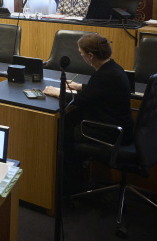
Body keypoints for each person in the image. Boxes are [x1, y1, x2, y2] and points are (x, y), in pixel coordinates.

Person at [43, 33, 132, 190]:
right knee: (70, 121)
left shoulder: (104, 76)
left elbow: (79, 100)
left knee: (62, 132)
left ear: (90, 56)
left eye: (82, 54)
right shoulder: (113, 68)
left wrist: (55, 91)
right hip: (123, 128)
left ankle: (69, 187)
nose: (81, 56)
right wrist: (78, 86)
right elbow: (97, 91)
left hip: (110, 132)